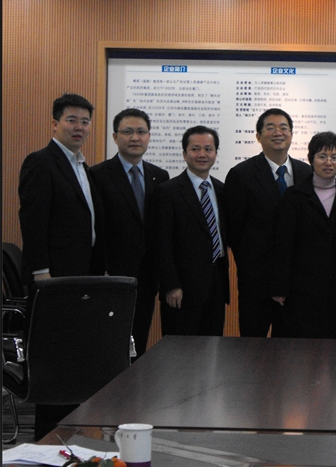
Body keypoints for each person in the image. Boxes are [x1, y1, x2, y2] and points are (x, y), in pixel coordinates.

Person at [18, 92, 105, 440]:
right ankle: (46, 442)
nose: (79, 127)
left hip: (79, 279)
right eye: (71, 120)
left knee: (74, 362)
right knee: (54, 367)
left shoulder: (82, 166)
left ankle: (72, 438)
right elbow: (33, 222)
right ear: (55, 124)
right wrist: (41, 274)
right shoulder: (41, 162)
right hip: (53, 283)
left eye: (85, 121)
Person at [224, 109, 312, 337]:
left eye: (283, 128)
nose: (277, 133)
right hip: (256, 282)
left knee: (291, 347)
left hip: (296, 282)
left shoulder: (307, 173)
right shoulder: (241, 174)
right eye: (270, 128)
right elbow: (234, 231)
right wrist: (253, 269)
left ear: (291, 134)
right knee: (252, 347)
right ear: (258, 136)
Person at [90, 108, 169, 358]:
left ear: (148, 136)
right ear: (115, 137)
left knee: (140, 335)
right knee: (111, 338)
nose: (135, 137)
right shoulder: (98, 175)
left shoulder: (159, 176)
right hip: (113, 273)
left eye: (141, 132)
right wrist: (102, 268)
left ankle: (136, 380)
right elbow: (97, 227)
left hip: (148, 274)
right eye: (127, 132)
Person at [270, 132, 336, 339]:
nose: (328, 162)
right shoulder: (295, 195)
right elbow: (283, 244)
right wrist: (280, 286)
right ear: (311, 159)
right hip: (301, 288)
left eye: (334, 157)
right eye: (322, 156)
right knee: (299, 347)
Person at [157, 126, 229, 336]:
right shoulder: (167, 191)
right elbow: (161, 242)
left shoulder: (222, 190)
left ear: (215, 153)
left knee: (213, 344)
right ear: (184, 153)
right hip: (182, 287)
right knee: (180, 348)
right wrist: (171, 285)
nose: (202, 154)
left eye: (208, 149)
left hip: (216, 283)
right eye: (195, 149)